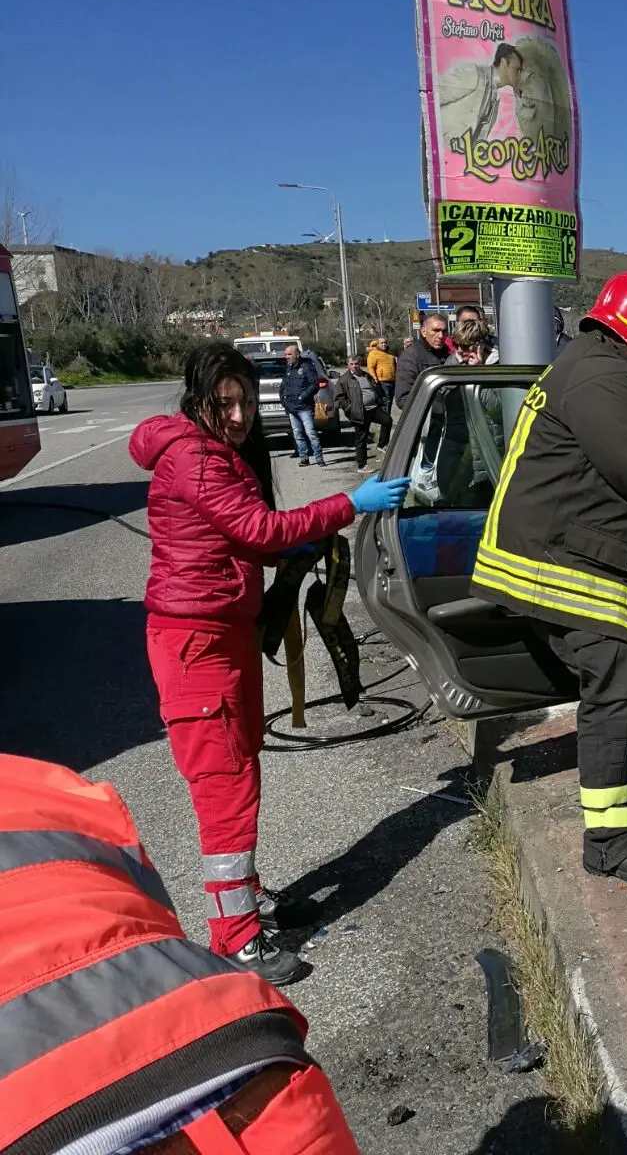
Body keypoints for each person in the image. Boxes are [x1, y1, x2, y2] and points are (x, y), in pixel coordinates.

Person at [130, 343, 410, 985]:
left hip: (221, 637)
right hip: (195, 645)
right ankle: (234, 937)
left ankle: (246, 902)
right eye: (222, 403)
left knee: (242, 763)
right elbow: (256, 531)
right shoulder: (194, 457)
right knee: (226, 786)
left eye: (245, 401)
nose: (238, 416)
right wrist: (349, 504)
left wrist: (298, 540)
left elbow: (239, 537)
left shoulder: (213, 453)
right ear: (196, 401)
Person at [0, 752, 361, 1153]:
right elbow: (147, 913)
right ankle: (238, 934)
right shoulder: (41, 779)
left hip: (47, 1120)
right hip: (249, 1054)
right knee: (225, 778)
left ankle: (243, 918)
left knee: (232, 777)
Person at [469, 272, 627, 885]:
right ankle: (610, 843)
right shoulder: (604, 377)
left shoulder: (594, 363)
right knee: (616, 687)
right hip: (561, 567)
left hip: (553, 553)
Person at [436, 42, 524, 149]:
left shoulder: (494, 96)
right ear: (504, 63)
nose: (519, 75)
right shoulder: (474, 74)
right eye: (517, 69)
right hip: (441, 150)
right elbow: (435, 96)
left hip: (461, 158)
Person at [331, 350, 389, 471]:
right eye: (352, 364)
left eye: (356, 363)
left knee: (387, 421)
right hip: (359, 412)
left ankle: (382, 444)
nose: (355, 366)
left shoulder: (365, 375)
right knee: (361, 438)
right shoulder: (344, 380)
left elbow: (374, 388)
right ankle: (362, 465)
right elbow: (338, 399)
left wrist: (381, 400)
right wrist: (350, 409)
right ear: (348, 364)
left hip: (374, 408)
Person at [278, 344, 323, 467]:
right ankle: (304, 458)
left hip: (305, 408)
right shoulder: (289, 368)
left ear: (297, 355)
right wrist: (284, 400)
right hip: (292, 408)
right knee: (298, 434)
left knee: (311, 433)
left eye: (289, 354)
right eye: (286, 354)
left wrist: (302, 397)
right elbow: (283, 387)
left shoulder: (306, 367)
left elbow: (314, 385)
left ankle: (319, 458)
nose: (287, 357)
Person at [395, 312, 450, 411]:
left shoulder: (448, 354)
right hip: (427, 421)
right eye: (436, 330)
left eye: (444, 331)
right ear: (424, 332)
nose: (441, 336)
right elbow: (403, 399)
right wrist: (438, 408)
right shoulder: (411, 356)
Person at [366, 336, 396, 447]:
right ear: (378, 344)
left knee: (388, 408)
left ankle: (384, 441)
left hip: (391, 382)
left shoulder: (389, 355)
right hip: (382, 383)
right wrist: (375, 379)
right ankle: (383, 442)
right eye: (382, 343)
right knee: (385, 411)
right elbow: (370, 367)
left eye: (385, 342)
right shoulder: (374, 354)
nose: (384, 344)